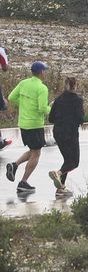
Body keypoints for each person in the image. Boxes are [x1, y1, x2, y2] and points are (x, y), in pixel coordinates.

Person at [5, 62, 49, 194]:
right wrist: (52, 109)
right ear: (41, 72)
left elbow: (11, 97)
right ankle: (23, 182)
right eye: (44, 71)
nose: (45, 73)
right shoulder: (42, 88)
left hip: (23, 124)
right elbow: (42, 108)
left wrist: (24, 105)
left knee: (33, 150)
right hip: (35, 124)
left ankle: (14, 165)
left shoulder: (23, 83)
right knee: (37, 153)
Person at [46, 74, 82, 197]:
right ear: (75, 86)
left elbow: (51, 118)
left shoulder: (58, 99)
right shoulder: (78, 100)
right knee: (74, 162)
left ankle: (60, 188)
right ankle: (58, 173)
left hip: (58, 133)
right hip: (70, 133)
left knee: (67, 160)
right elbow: (80, 119)